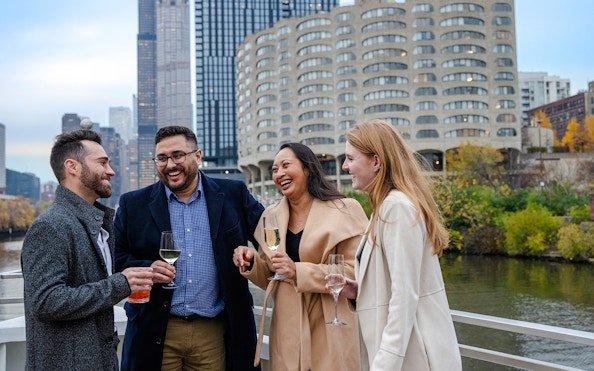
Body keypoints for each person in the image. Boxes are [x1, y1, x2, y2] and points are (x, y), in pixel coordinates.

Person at [114, 125, 264, 371]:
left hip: (214, 331)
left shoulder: (234, 194)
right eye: (162, 158)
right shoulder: (133, 204)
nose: (170, 164)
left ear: (198, 156)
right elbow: (115, 259)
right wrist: (147, 268)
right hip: (155, 331)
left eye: (177, 155)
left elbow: (270, 236)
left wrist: (253, 255)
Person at [330, 119, 462, 370]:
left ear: (376, 161)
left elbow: (404, 296)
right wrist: (359, 291)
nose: (345, 166)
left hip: (415, 357)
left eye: (350, 158)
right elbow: (396, 284)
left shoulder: (397, 208)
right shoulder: (385, 207)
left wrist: (384, 364)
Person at [21, 130, 154, 371]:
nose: (111, 171)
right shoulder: (50, 226)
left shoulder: (99, 224)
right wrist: (120, 284)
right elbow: (45, 301)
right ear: (72, 166)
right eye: (102, 163)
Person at [233, 142, 368, 371]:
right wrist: (252, 261)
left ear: (307, 168)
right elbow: (270, 276)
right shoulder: (270, 217)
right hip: (287, 331)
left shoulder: (345, 210)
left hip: (331, 324)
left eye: (286, 165)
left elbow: (358, 271)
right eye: (274, 169)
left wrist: (299, 271)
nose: (279, 174)